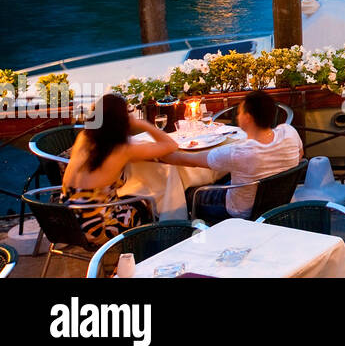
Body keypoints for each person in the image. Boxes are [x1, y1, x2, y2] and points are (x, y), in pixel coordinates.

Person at [165, 89, 302, 224]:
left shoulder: (239, 152)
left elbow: (184, 159)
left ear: (248, 118)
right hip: (278, 202)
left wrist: (156, 153)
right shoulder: (289, 133)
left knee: (190, 193)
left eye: (240, 112)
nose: (237, 116)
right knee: (223, 178)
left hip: (240, 212)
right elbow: (299, 156)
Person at [60, 93, 178, 245]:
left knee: (131, 197)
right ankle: (145, 252)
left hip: (65, 221)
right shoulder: (122, 150)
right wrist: (142, 124)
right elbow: (171, 146)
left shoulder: (84, 137)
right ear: (122, 120)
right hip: (96, 229)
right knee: (145, 206)